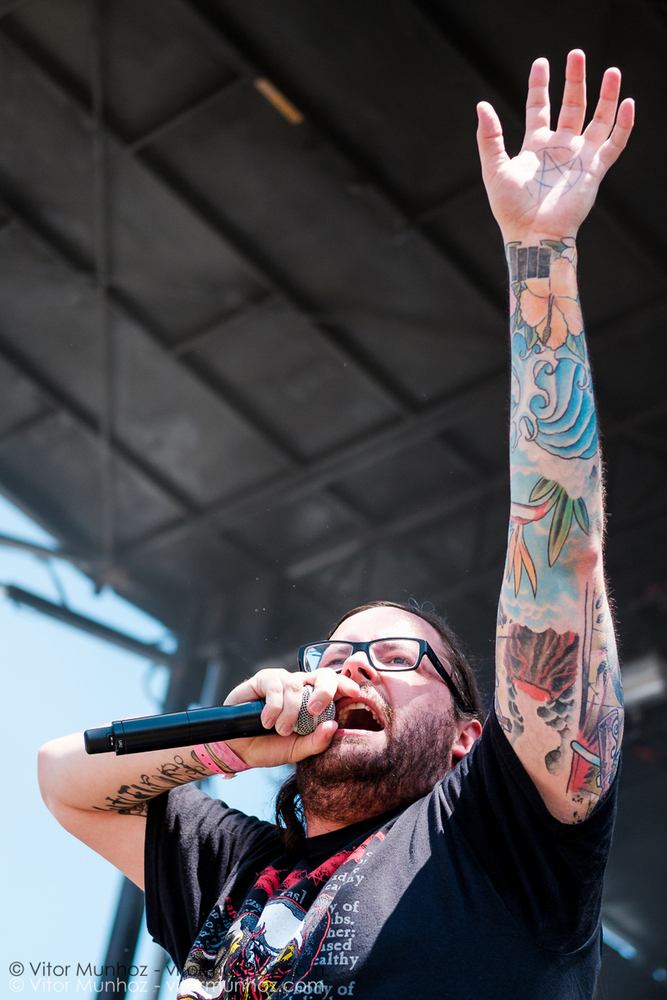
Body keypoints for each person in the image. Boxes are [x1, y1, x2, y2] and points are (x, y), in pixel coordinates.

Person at [38, 50, 633, 999]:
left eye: (394, 658)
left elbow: (558, 566)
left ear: (467, 738)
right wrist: (258, 737)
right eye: (333, 654)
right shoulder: (234, 872)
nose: (348, 665)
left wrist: (539, 253)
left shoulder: (500, 847)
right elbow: (63, 775)